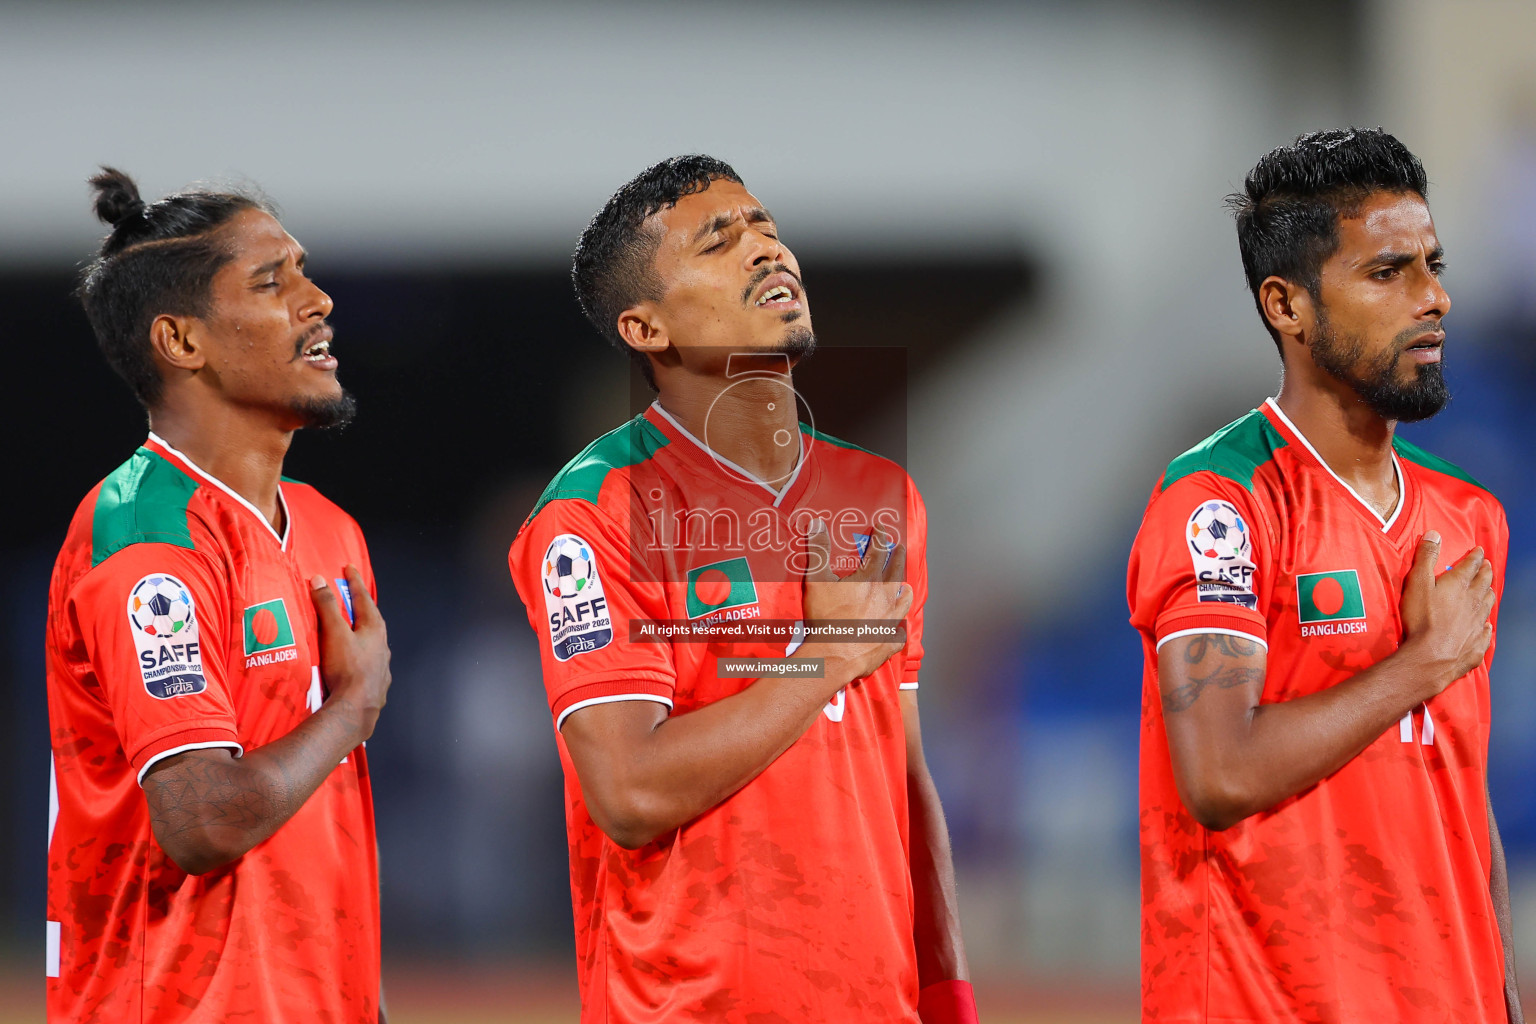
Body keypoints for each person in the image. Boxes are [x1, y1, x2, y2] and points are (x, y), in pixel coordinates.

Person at [507, 156, 976, 1023]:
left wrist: (946, 991)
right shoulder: (596, 511)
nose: (767, 252)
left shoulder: (879, 495)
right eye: (719, 243)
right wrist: (822, 658)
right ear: (646, 329)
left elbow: (902, 774)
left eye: (765, 227)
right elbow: (631, 791)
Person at [1128, 128, 1520, 1021]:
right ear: (1287, 305)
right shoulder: (1220, 501)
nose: (1436, 298)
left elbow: (1460, 792)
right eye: (1389, 273)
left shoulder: (1470, 517)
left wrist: (1500, 997)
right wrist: (1425, 664)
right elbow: (1220, 774)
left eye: (1433, 263)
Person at [46, 169, 393, 1022]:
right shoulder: (144, 537)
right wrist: (353, 706)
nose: (318, 301)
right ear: (181, 341)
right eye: (273, 281)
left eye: (304, 271)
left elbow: (321, 823)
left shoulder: (327, 528)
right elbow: (201, 821)